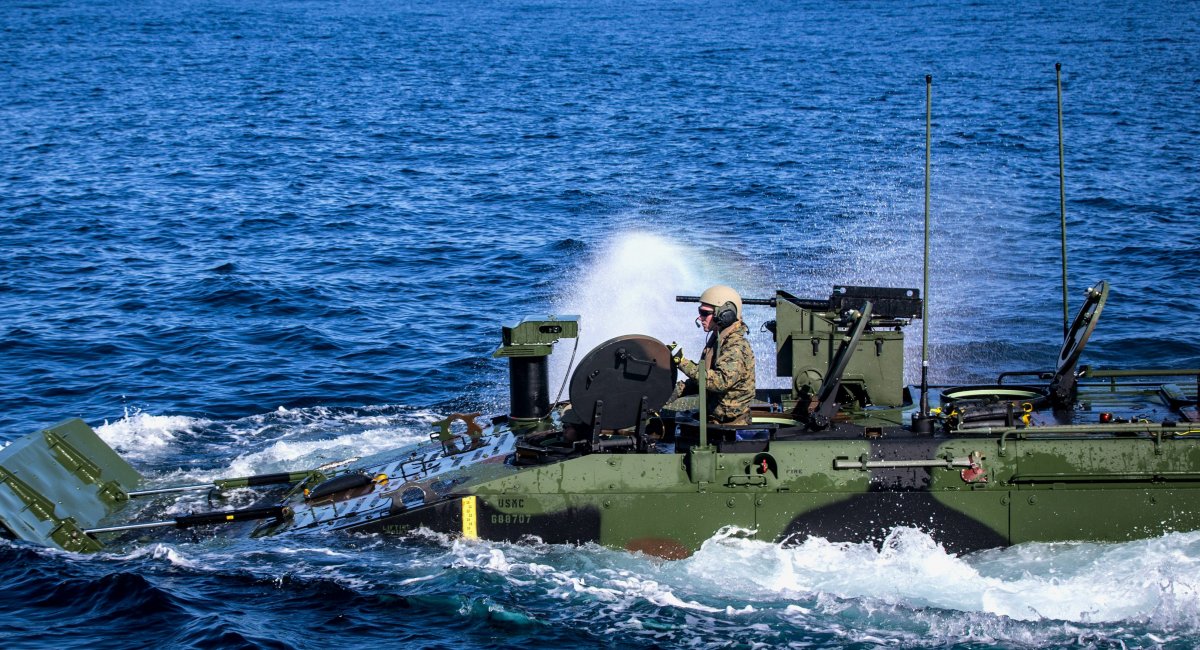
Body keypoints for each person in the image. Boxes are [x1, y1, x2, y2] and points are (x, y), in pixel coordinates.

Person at [672, 284, 756, 426]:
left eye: (705, 313)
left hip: (730, 425)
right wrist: (670, 392)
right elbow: (703, 377)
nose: (700, 318)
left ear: (724, 315)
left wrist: (682, 362)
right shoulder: (718, 338)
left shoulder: (736, 347)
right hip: (715, 418)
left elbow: (718, 382)